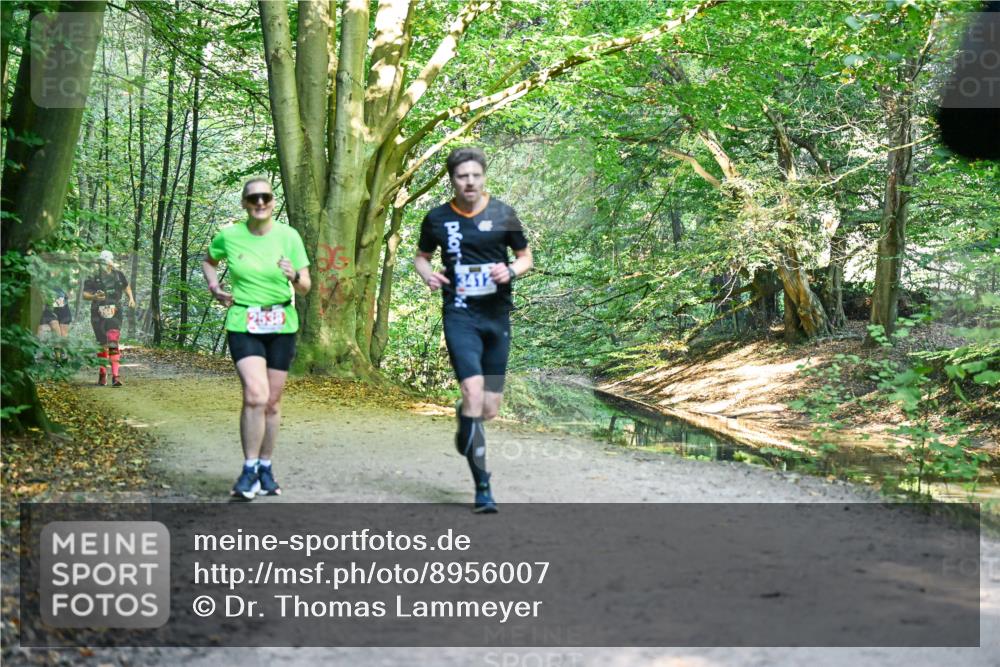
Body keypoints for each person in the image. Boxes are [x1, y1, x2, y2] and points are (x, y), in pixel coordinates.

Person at [414, 147, 533, 513]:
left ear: (484, 177)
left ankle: (465, 414)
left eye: (475, 176)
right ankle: (483, 486)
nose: (469, 182)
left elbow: (525, 256)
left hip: (496, 316)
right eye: (462, 176)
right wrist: (428, 276)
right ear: (452, 180)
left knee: (489, 409)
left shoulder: (502, 214)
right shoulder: (436, 218)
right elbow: (422, 256)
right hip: (460, 315)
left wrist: (510, 271)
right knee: (473, 392)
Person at [202, 178, 311, 500]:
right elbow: (209, 261)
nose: (260, 202)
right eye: (253, 198)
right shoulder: (231, 236)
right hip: (244, 320)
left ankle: (265, 466)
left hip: (281, 324)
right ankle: (249, 469)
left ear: (273, 202)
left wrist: (293, 275)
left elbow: (306, 286)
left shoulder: (288, 237)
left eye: (265, 197)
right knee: (255, 395)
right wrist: (214, 287)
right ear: (244, 204)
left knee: (273, 403)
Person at [82, 251, 135, 387]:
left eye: (108, 261)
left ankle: (116, 376)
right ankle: (102, 373)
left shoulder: (118, 274)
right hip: (97, 312)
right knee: (102, 344)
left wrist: (131, 298)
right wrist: (94, 297)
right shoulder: (93, 276)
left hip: (115, 311)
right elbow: (85, 294)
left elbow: (126, 286)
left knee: (113, 341)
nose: (106, 264)